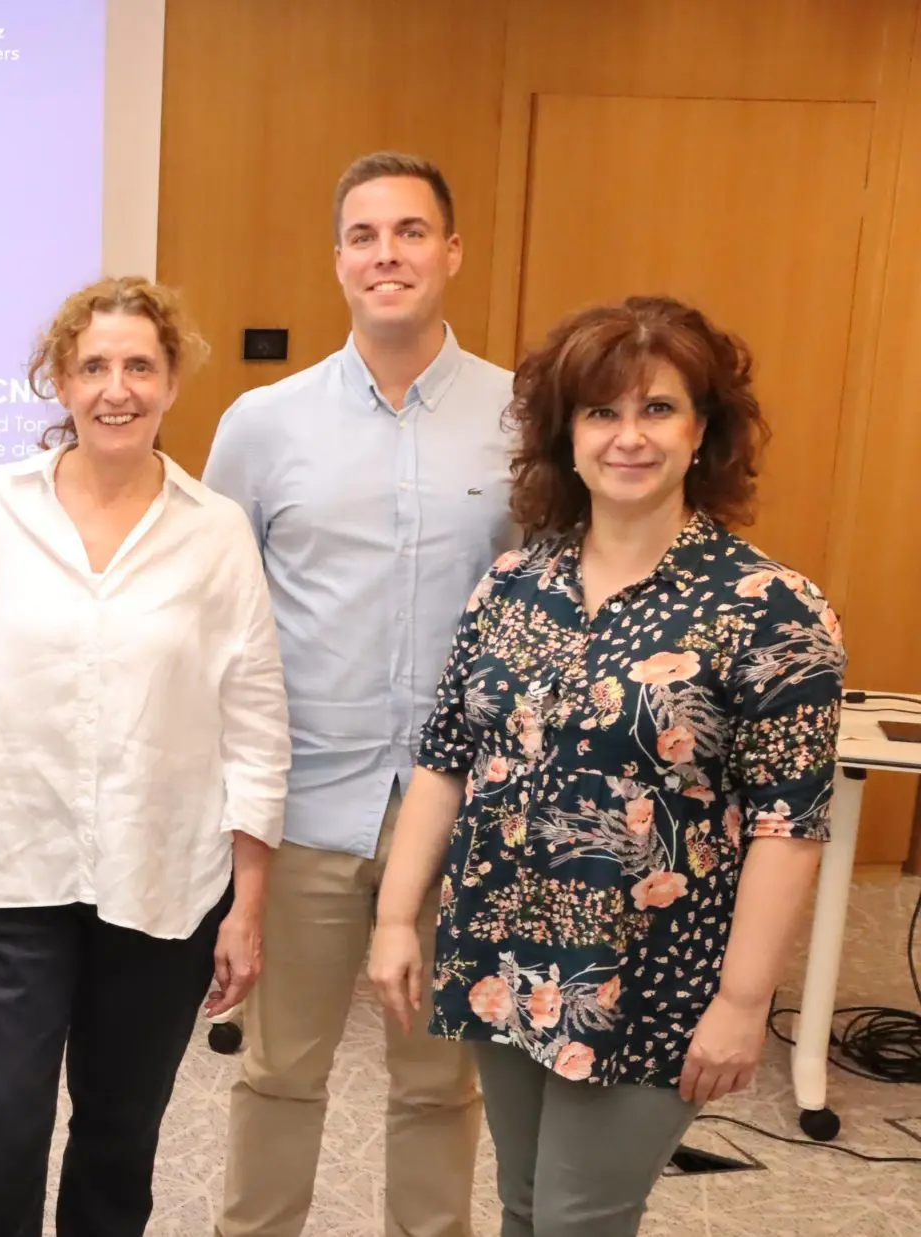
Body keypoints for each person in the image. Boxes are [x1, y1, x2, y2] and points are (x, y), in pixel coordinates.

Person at [369, 296, 842, 1236]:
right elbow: (447, 758)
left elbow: (790, 827)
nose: (629, 436)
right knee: (525, 1204)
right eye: (601, 412)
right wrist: (393, 918)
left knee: (578, 1218)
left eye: (658, 408)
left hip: (651, 974)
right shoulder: (514, 583)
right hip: (502, 947)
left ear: (702, 431)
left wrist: (743, 1003)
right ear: (568, 436)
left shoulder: (771, 609)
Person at [0, 276, 289, 1236]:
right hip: (4, 869)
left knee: (119, 1135)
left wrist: (247, 903)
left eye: (139, 366)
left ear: (172, 381)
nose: (118, 388)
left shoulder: (215, 531)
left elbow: (255, 719)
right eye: (95, 366)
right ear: (61, 382)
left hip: (161, 880)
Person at [206, 150, 511, 1237]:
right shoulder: (262, 424)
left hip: (462, 810)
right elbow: (219, 619)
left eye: (411, 232)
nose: (388, 255)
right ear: (337, 260)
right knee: (281, 1069)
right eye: (365, 236)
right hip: (308, 806)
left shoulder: (525, 417)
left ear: (451, 251)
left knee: (438, 1080)